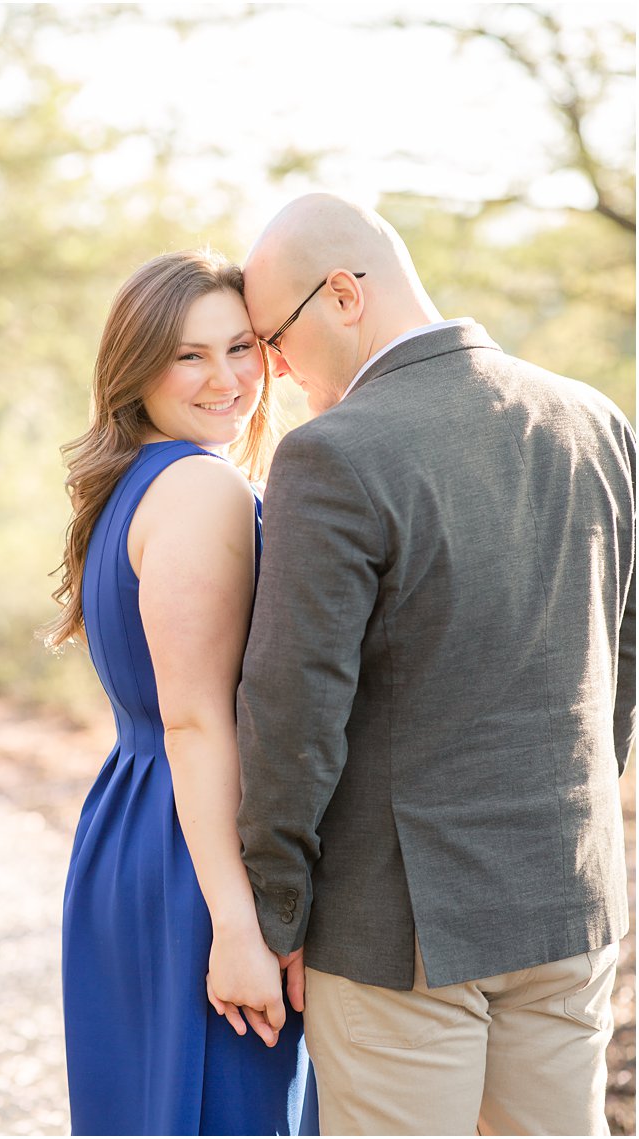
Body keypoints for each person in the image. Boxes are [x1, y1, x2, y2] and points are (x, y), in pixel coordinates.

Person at [231, 193, 635, 1135]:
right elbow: (621, 667)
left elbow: (292, 717)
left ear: (342, 295)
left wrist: (278, 914)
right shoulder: (598, 420)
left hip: (398, 930)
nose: (273, 371)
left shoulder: (332, 455)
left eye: (275, 339)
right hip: (569, 901)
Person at [48, 249, 317, 1135]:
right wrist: (239, 924)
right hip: (198, 856)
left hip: (137, 828)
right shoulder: (201, 487)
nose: (226, 377)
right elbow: (197, 719)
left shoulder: (136, 483)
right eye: (189, 354)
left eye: (241, 346)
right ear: (137, 369)